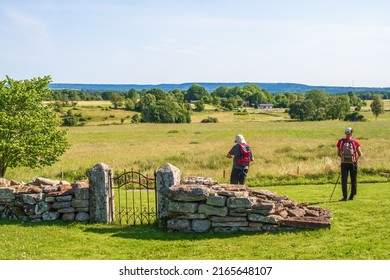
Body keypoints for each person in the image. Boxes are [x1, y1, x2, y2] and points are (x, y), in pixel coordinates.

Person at [336, 127, 362, 201]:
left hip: (344, 163)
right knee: (353, 180)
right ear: (352, 133)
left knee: (344, 180)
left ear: (345, 133)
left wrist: (343, 159)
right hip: (353, 163)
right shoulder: (355, 142)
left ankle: (344, 197)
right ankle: (352, 196)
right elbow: (360, 154)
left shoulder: (340, 141)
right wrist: (355, 160)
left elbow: (338, 153)